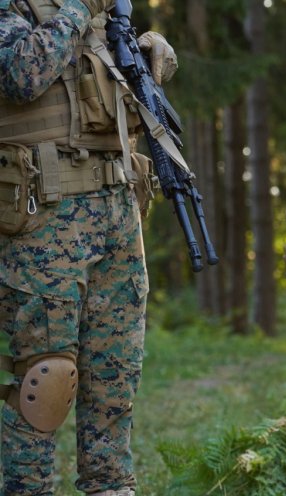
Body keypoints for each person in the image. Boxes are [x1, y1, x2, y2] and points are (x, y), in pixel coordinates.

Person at [0, 0, 177, 494]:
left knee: (114, 372)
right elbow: (21, 74)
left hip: (118, 213)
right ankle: (29, 489)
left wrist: (148, 53)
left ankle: (111, 485)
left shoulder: (102, 20)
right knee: (45, 379)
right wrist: (80, 8)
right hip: (47, 219)